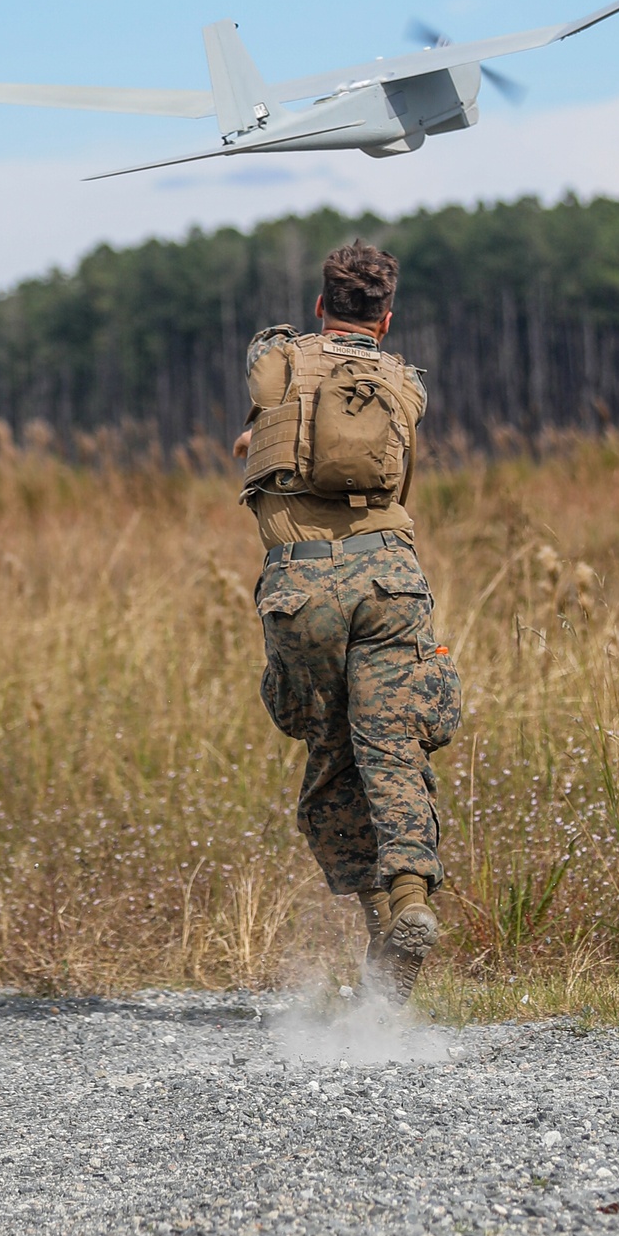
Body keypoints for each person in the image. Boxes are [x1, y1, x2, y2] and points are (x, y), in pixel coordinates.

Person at [233, 239, 461, 1003]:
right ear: (387, 319)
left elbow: (262, 400)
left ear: (322, 304)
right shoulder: (403, 384)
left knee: (332, 755)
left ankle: (377, 934)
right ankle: (409, 903)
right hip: (391, 577)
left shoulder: (282, 361)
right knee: (393, 749)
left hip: (302, 587)